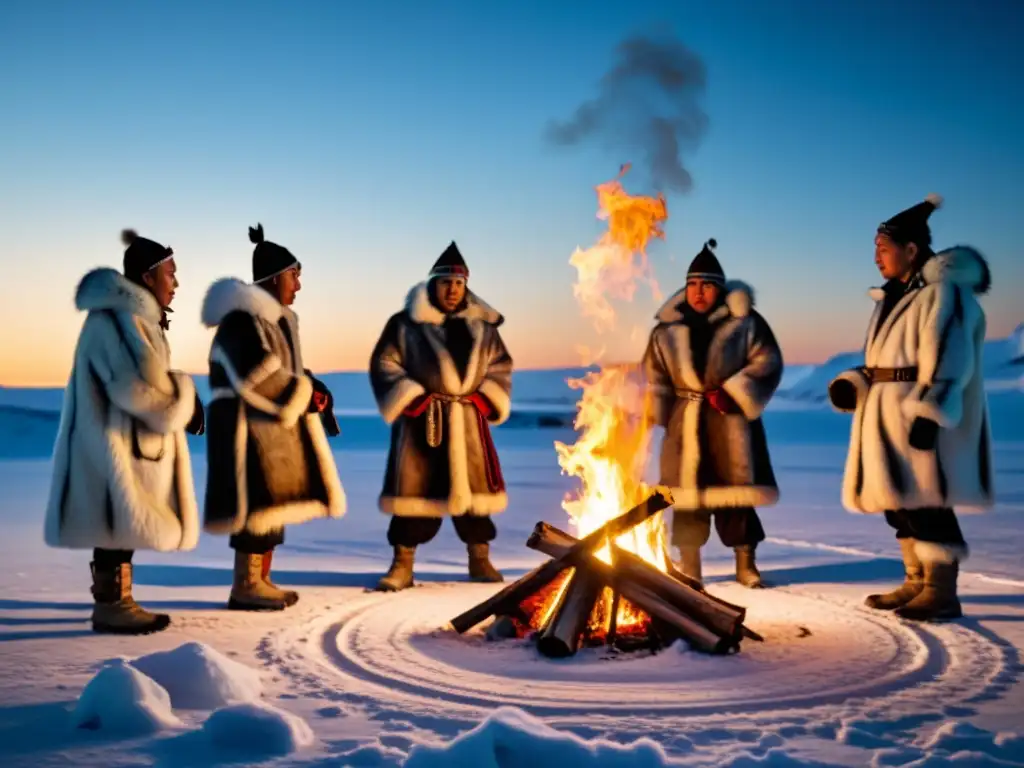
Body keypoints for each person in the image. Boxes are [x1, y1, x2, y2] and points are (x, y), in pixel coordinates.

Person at [828, 195, 993, 621]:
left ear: (912, 250)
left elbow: (952, 360)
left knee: (927, 500)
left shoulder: (944, 295)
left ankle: (941, 590)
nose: (876, 256)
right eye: (875, 248)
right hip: (883, 416)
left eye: (883, 248)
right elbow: (883, 363)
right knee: (898, 503)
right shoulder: (891, 297)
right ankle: (916, 581)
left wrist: (930, 413)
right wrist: (856, 382)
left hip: (916, 414)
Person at [43, 230, 205, 634]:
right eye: (171, 273)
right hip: (109, 444)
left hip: (119, 441)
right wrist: (184, 395)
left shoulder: (132, 318)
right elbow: (138, 389)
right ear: (149, 277)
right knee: (115, 514)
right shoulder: (119, 320)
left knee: (120, 517)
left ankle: (117, 600)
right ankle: (113, 605)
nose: (177, 283)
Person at [201, 224, 346, 611]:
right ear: (276, 277)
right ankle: (246, 584)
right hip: (245, 431)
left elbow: (283, 370)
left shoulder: (272, 321)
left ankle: (261, 578)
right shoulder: (241, 320)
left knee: (271, 506)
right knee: (255, 506)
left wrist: (310, 386)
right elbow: (256, 372)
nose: (298, 285)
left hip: (269, 430)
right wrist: (303, 392)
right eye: (294, 275)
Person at [369, 241, 513, 591]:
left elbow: (499, 366)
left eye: (459, 283)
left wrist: (484, 398)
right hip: (424, 424)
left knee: (476, 501)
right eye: (446, 282)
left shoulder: (483, 328)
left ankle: (480, 559)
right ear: (433, 284)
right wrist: (413, 398)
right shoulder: (405, 324)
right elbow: (385, 363)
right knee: (414, 496)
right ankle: (402, 564)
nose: (453, 289)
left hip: (467, 423)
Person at [643, 239, 783, 588]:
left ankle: (745, 563)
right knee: (686, 500)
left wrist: (735, 393)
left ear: (719, 289)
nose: (698, 291)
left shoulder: (746, 324)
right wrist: (659, 414)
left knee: (735, 495)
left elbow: (767, 361)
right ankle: (690, 565)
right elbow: (654, 375)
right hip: (685, 420)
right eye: (692, 284)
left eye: (707, 284)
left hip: (731, 422)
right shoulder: (666, 331)